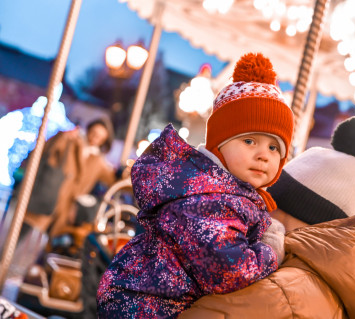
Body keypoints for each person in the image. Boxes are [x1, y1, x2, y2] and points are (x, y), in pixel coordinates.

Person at [97, 52, 295, 318]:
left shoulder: (228, 193)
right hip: (148, 307)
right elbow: (230, 271)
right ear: (219, 143)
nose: (263, 155)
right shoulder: (210, 198)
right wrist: (269, 249)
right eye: (249, 141)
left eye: (274, 147)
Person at [180, 116, 355, 319]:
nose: (261, 211)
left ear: (293, 213)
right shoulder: (331, 283)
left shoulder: (274, 292)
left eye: (270, 203)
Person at [20, 117, 121, 242]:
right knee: (21, 234)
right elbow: (44, 151)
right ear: (89, 130)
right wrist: (62, 137)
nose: (95, 138)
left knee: (48, 247)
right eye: (94, 133)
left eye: (100, 138)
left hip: (64, 212)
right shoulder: (71, 141)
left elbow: (113, 180)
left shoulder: (98, 161)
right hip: (47, 198)